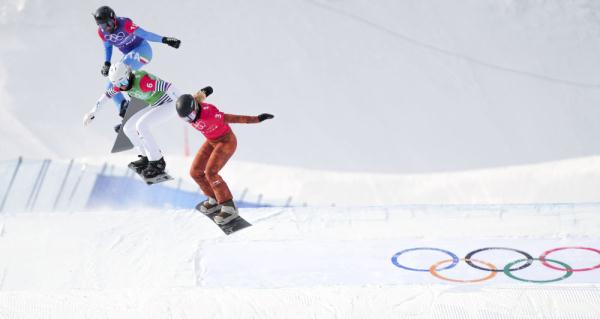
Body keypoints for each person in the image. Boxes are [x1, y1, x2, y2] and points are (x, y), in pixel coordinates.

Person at [175, 89, 274, 225]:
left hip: (226, 142)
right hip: (211, 141)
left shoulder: (210, 113)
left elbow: (234, 118)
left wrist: (257, 119)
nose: (191, 120)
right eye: (186, 118)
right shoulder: (192, 108)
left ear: (195, 108)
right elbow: (196, 97)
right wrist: (205, 91)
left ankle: (229, 207)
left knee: (211, 173)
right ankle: (214, 199)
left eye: (191, 116)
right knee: (195, 172)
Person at [83, 62, 179, 179]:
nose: (122, 86)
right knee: (128, 128)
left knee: (141, 126)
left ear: (128, 75)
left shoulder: (143, 82)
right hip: (156, 104)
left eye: (123, 82)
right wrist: (93, 112)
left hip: (169, 103)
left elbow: (168, 86)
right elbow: (107, 95)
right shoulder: (120, 82)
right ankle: (146, 157)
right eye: (118, 84)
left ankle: (157, 163)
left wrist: (181, 101)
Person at [93, 5, 181, 118]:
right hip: (130, 55)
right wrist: (107, 63)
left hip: (143, 51)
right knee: (112, 83)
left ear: (114, 18)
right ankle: (124, 109)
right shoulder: (102, 32)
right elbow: (108, 46)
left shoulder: (125, 24)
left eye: (108, 24)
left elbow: (145, 34)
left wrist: (164, 40)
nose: (107, 28)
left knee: (114, 80)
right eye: (102, 25)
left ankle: (125, 106)